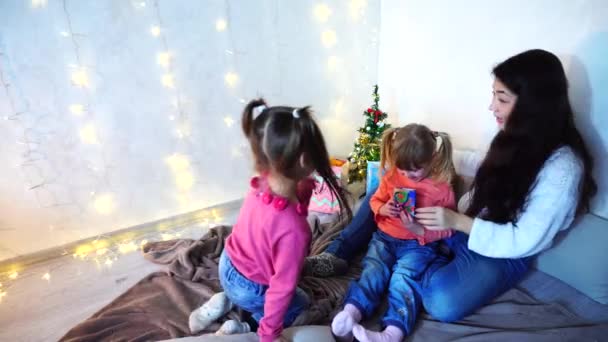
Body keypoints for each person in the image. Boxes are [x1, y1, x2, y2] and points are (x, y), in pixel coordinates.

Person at [307, 49, 597, 326]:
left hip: (502, 251)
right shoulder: (515, 137)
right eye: (493, 95)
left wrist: (457, 221)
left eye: (502, 98)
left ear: (534, 104)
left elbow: (523, 241)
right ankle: (337, 255)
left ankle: (407, 270)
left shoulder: (563, 169)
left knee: (440, 300)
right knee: (387, 189)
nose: (491, 106)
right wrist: (418, 161)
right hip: (463, 226)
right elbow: (475, 165)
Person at [188, 99, 352, 342]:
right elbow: (281, 289)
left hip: (228, 265)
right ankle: (245, 326)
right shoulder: (295, 231)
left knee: (270, 282)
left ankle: (222, 300)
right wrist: (269, 335)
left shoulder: (259, 183)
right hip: (251, 288)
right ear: (305, 161)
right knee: (301, 304)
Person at [331, 124, 458, 342]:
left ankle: (393, 332)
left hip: (419, 246)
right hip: (385, 238)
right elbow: (374, 200)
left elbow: (449, 228)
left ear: (433, 158)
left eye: (415, 169)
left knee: (403, 280)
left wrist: (420, 231)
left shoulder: (442, 188)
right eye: (403, 170)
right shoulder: (391, 177)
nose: (408, 175)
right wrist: (383, 208)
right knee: (373, 270)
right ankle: (352, 311)